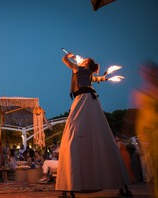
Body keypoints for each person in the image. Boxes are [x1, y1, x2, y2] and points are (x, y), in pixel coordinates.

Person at [55, 52, 131, 197]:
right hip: (91, 100)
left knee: (73, 134)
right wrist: (104, 78)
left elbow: (64, 60)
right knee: (102, 134)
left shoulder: (79, 69)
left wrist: (69, 56)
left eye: (83, 60)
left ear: (85, 64)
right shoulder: (87, 72)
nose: (80, 60)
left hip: (83, 100)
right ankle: (123, 187)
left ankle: (69, 187)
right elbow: (95, 79)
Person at [133, 61, 158, 197]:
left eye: (150, 72)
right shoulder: (141, 92)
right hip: (147, 134)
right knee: (153, 169)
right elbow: (138, 114)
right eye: (145, 73)